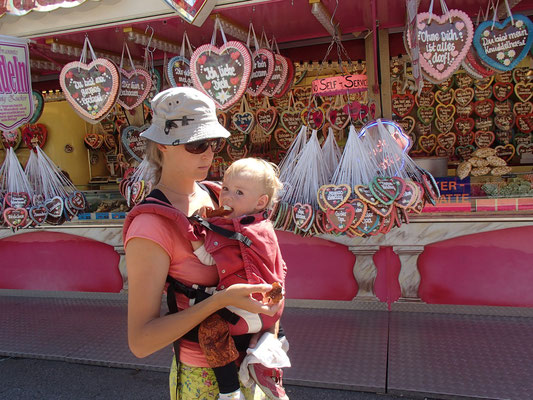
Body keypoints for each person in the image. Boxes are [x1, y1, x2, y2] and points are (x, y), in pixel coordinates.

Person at [123, 87, 282, 400]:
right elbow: (140, 342)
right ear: (162, 146)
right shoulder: (150, 227)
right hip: (204, 379)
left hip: (255, 363)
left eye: (213, 142)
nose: (209, 153)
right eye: (196, 144)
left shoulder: (217, 196)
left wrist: (270, 331)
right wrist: (219, 301)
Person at [190, 157, 289, 400]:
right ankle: (267, 356)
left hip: (246, 310)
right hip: (271, 309)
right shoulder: (264, 228)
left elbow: (208, 259)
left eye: (239, 192)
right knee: (269, 330)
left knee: (210, 332)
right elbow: (281, 267)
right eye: (225, 188)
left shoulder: (235, 231)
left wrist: (192, 233)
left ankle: (229, 391)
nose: (227, 197)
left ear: (261, 202)